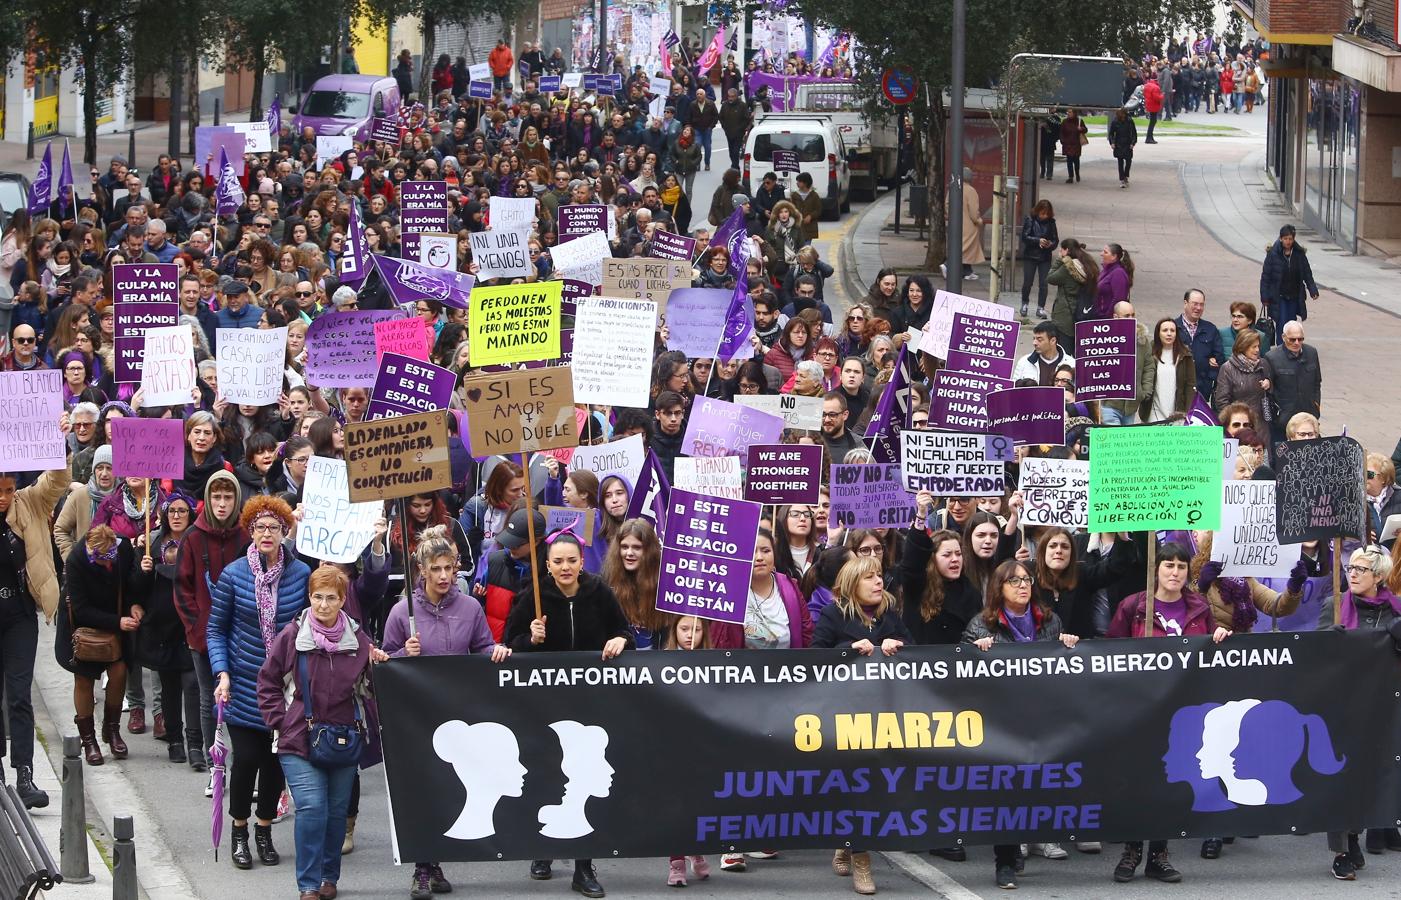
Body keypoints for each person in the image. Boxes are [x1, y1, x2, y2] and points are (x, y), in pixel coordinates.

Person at [504, 532, 630, 898]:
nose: (565, 567)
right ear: (548, 565)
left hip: (589, 705)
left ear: (581, 561)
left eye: (571, 560)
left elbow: (623, 631)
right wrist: (532, 639)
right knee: (548, 775)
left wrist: (621, 640)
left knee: (582, 778)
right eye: (557, 561)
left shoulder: (599, 592)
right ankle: (543, 848)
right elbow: (511, 644)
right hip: (546, 707)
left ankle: (583, 866)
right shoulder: (535, 595)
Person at [257, 566, 385, 900]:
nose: (324, 605)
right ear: (309, 597)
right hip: (298, 736)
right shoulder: (293, 636)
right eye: (317, 597)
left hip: (344, 737)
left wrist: (380, 665)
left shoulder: (359, 642)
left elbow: (372, 691)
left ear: (343, 600)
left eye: (331, 598)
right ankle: (309, 885)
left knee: (335, 812)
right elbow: (268, 680)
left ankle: (330, 877)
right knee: (312, 808)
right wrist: (280, 721)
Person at [1107, 541, 1231, 883]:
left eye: (1180, 566)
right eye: (1168, 566)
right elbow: (1109, 652)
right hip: (1140, 707)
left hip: (1182, 710)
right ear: (1156, 569)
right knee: (1138, 780)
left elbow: (1209, 651)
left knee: (1169, 779)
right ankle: (1132, 850)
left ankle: (1159, 854)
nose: (1175, 572)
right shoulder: (1134, 606)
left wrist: (1219, 634)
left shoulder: (1198, 607)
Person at [207, 496, 311, 870]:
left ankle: (264, 830)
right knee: (247, 759)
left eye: (274, 527)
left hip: (284, 688)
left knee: (274, 764)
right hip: (243, 683)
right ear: (250, 531)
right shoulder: (234, 575)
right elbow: (216, 630)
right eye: (260, 527)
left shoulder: (300, 575)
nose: (267, 533)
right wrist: (222, 672)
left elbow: (309, 622)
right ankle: (239, 830)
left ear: (285, 532)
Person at [964, 558, 1081, 888]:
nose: (1023, 585)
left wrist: (1069, 647)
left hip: (1042, 716)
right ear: (998, 589)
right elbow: (958, 674)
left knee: (1035, 785)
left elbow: (1065, 669)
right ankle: (1005, 860)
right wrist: (974, 652)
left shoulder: (1050, 621)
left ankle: (1025, 840)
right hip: (1001, 721)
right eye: (1014, 581)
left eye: (1027, 579)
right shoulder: (981, 625)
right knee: (1005, 790)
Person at [811, 554, 910, 895]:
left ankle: (847, 841)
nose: (878, 582)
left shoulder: (891, 617)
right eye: (869, 577)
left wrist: (902, 648)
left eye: (880, 575)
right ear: (853, 585)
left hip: (885, 714)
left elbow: (921, 657)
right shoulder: (832, 615)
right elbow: (813, 659)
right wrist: (848, 649)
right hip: (845, 715)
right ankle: (862, 859)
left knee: (875, 785)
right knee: (856, 785)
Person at [1322, 545, 1401, 879]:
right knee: (1342, 776)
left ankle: (1358, 835)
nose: (1352, 573)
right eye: (1350, 567)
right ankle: (1341, 849)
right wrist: (1330, 639)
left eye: (1360, 569)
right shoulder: (1335, 606)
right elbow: (1313, 653)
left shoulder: (1396, 611)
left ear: (1378, 576)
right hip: (1342, 704)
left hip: (1383, 706)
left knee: (1370, 774)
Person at [174, 471, 245, 780]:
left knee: (240, 700)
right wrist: (196, 629)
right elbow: (182, 589)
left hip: (240, 635)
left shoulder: (246, 535)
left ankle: (241, 764)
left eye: (228, 497)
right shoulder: (192, 536)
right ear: (207, 499)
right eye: (216, 497)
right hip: (202, 636)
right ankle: (213, 761)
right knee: (208, 699)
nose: (222, 503)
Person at [58, 525, 143, 767]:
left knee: (118, 672)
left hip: (116, 621)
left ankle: (112, 728)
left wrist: (136, 602)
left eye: (110, 559)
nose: (107, 565)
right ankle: (88, 740)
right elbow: (81, 609)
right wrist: (117, 622)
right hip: (82, 627)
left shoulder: (123, 548)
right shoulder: (76, 561)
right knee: (83, 680)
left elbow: (131, 583)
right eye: (100, 560)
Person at [1262, 320, 1322, 445]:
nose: (1296, 343)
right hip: (1284, 419)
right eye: (1292, 339)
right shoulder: (1272, 357)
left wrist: (1316, 405)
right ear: (1283, 337)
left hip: (1308, 416)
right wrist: (1274, 417)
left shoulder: (1311, 353)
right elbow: (1268, 392)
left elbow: (1317, 382)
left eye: (1300, 339)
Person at [1102, 301, 1153, 426]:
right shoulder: (1103, 338)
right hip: (1109, 403)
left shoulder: (1142, 341)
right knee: (1114, 442)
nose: (1131, 319)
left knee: (1125, 443)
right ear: (1115, 317)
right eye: (1126, 316)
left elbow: (1149, 366)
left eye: (1133, 315)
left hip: (1131, 406)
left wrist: (1144, 391)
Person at [1259, 224, 1318, 326]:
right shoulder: (1273, 254)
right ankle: (1281, 342)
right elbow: (1265, 277)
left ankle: (1289, 341)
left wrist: (1313, 290)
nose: (1288, 241)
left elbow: (1307, 273)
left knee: (1291, 323)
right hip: (1279, 295)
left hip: (1294, 295)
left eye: (1290, 239)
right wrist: (1265, 296)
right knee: (1281, 322)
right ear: (1281, 238)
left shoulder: (1299, 254)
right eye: (1285, 238)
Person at [1140, 317, 1195, 421]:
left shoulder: (1185, 355)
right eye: (1165, 330)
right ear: (1158, 333)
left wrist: (1188, 412)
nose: (1169, 334)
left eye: (1172, 331)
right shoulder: (1149, 352)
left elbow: (1190, 386)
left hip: (1177, 413)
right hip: (1153, 411)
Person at [1212, 330, 1270, 427]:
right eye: (1254, 347)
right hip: (1239, 425)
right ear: (1243, 347)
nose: (1257, 350)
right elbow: (1222, 401)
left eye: (1258, 346)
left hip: (1261, 425)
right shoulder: (1228, 368)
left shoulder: (1263, 364)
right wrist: (1235, 422)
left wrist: (1269, 383)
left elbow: (1273, 388)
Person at [1177, 289, 1224, 401]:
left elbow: (1219, 357)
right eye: (1195, 304)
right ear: (1185, 303)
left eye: (1201, 305)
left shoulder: (1210, 329)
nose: (1198, 308)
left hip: (1201, 390)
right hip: (1177, 388)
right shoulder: (1173, 328)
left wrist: (1209, 379)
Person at [1018, 199, 1057, 318]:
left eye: (1046, 214)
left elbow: (1055, 239)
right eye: (1042, 213)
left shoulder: (1051, 222)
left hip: (1045, 256)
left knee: (1044, 283)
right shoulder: (1030, 220)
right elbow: (1025, 237)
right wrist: (1037, 241)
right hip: (1031, 255)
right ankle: (1024, 303)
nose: (1044, 216)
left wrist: (1050, 244)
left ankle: (1041, 307)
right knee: (1027, 282)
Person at [1012, 321, 1074, 385]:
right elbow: (1013, 390)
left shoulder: (1071, 364)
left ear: (1053, 341)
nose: (1035, 343)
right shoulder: (1024, 362)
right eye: (1034, 339)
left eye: (1039, 340)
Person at [1108, 108, 1137, 188]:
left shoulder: (1130, 121)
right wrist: (1112, 142)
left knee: (1128, 161)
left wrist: (1133, 143)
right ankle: (1122, 179)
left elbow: (1134, 133)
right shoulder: (1115, 122)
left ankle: (1126, 175)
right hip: (1119, 143)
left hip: (1127, 143)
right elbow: (1111, 134)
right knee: (1120, 162)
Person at [789, 173, 823, 243]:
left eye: (799, 181)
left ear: (805, 183)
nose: (797, 183)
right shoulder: (794, 195)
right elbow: (791, 209)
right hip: (797, 227)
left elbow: (818, 209)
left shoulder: (814, 195)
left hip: (809, 228)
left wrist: (811, 216)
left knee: (806, 249)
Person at [1059, 109, 1086, 183]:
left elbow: (1085, 130)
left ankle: (1077, 174)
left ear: (1074, 113)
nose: (1068, 113)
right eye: (1068, 112)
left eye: (1070, 112)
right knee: (1069, 160)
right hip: (1067, 144)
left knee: (1076, 160)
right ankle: (1070, 176)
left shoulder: (1079, 121)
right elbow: (1061, 132)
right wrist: (1062, 141)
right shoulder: (1065, 121)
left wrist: (1081, 129)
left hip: (1076, 144)